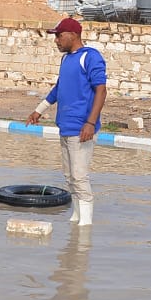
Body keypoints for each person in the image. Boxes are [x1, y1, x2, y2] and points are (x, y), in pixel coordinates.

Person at [25, 17, 107, 226]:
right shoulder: (66, 60)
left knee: (79, 176)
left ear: (73, 35)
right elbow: (58, 89)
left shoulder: (90, 57)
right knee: (69, 175)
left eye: (59, 36)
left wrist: (90, 123)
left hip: (82, 128)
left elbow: (101, 90)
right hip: (65, 126)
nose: (57, 41)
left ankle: (86, 224)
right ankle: (77, 216)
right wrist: (39, 111)